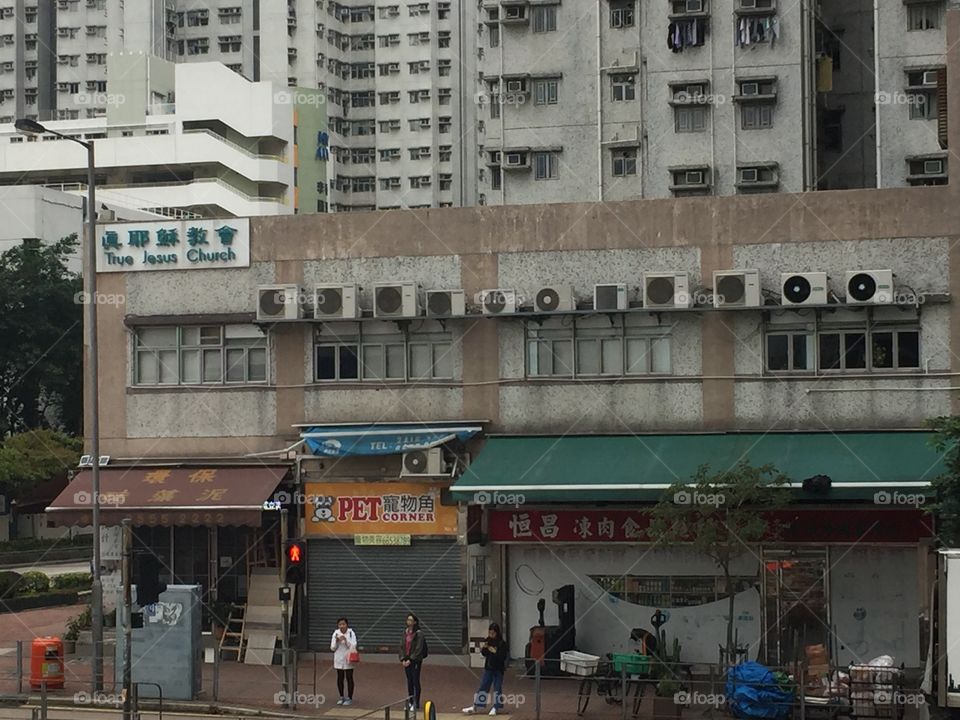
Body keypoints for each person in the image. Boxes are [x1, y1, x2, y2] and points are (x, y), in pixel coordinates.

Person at [463, 623, 507, 716]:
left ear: (496, 633)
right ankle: (476, 705)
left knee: (497, 688)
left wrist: (494, 651)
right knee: (483, 686)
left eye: (493, 633)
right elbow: (484, 653)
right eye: (490, 633)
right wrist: (485, 648)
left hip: (498, 669)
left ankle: (496, 706)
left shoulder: (502, 643)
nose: (491, 635)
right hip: (489, 668)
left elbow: (502, 657)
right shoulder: (488, 640)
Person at [399, 613, 426, 712]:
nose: (408, 622)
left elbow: (418, 649)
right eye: (407, 620)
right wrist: (402, 659)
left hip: (415, 661)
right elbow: (402, 646)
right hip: (406, 660)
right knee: (409, 681)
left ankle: (416, 702)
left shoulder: (419, 633)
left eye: (411, 620)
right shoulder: (405, 632)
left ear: (415, 622)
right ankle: (410, 701)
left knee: (415, 680)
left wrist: (411, 659)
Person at [330, 617, 358, 705]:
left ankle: (349, 697)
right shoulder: (335, 633)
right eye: (340, 624)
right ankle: (341, 696)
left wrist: (345, 641)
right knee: (340, 678)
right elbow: (332, 647)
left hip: (349, 658)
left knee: (349, 677)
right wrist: (337, 641)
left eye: (343, 624)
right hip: (339, 659)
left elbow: (353, 645)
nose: (342, 626)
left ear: (347, 625)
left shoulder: (351, 633)